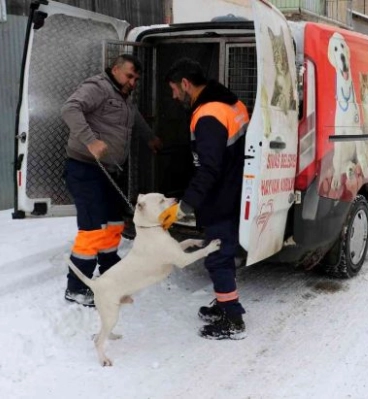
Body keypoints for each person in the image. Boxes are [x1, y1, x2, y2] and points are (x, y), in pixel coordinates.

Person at [61, 54, 162, 307]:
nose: (133, 82)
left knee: (114, 223)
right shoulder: (98, 87)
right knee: (93, 229)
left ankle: (110, 272)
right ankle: (76, 287)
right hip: (85, 169)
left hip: (109, 171)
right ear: (115, 69)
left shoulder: (123, 96)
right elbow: (70, 108)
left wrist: (150, 137)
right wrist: (90, 141)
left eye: (136, 78)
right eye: (130, 76)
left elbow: (133, 116)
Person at [160, 58, 249, 340]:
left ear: (186, 84)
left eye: (174, 89)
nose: (174, 96)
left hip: (221, 196)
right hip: (236, 189)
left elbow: (209, 167)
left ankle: (232, 320)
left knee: (217, 258)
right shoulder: (231, 103)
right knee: (223, 253)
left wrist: (186, 205)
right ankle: (226, 303)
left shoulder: (208, 114)